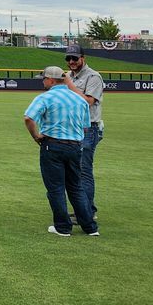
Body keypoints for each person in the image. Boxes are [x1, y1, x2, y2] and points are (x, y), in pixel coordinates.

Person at [23, 66, 99, 237]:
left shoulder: (46, 97)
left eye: (44, 79)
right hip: (75, 146)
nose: (43, 81)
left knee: (56, 188)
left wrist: (36, 137)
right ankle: (90, 227)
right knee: (76, 187)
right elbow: (86, 126)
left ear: (51, 80)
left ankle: (63, 227)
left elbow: (28, 118)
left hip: (52, 145)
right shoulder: (79, 99)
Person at [64, 45, 105, 225]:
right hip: (72, 129)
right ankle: (83, 210)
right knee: (73, 171)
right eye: (68, 59)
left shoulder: (93, 76)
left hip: (89, 129)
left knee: (84, 171)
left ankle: (87, 212)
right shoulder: (69, 76)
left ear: (83, 58)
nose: (71, 62)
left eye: (74, 58)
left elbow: (88, 101)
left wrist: (69, 85)